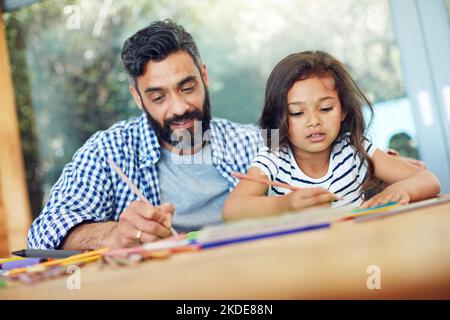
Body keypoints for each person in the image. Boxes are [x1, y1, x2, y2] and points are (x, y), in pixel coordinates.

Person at [27, 21, 338, 250]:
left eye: (187, 88)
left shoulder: (255, 143)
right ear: (137, 97)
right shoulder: (109, 151)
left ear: (203, 75)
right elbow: (44, 230)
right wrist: (110, 234)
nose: (179, 108)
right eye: (158, 97)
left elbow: (340, 177)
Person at [223, 51, 441, 220]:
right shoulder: (274, 157)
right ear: (280, 117)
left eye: (326, 108)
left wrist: (400, 190)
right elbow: (232, 210)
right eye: (297, 113)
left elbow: (427, 179)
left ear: (343, 110)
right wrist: (285, 205)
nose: (314, 121)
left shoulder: (354, 148)